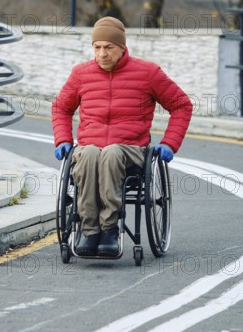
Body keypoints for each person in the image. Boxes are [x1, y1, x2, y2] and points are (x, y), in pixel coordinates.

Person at [51, 16, 193, 257]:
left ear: (122, 47)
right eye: (97, 47)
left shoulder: (148, 73)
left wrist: (170, 143)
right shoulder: (81, 74)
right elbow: (61, 108)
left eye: (109, 47)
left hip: (130, 149)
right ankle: (89, 230)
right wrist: (63, 139)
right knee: (90, 154)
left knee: (111, 152)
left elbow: (181, 105)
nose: (102, 54)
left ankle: (109, 230)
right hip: (90, 147)